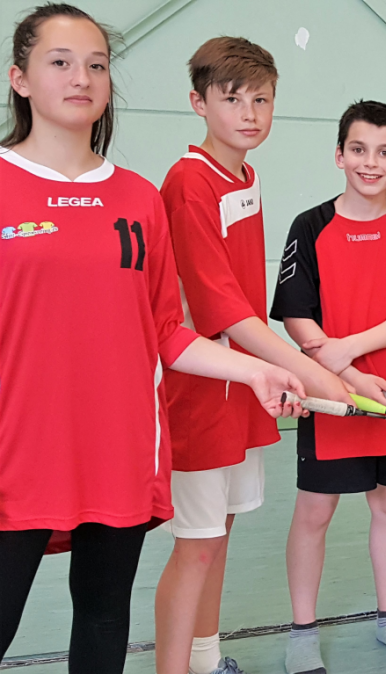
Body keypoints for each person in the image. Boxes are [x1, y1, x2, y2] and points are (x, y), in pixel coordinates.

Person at [0, 6, 304, 673]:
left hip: (118, 451)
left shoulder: (137, 199)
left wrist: (257, 371)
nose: (81, 77)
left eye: (97, 65)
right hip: (18, 454)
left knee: (104, 618)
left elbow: (166, 331)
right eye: (60, 62)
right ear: (20, 79)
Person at [155, 36, 353, 674]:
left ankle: (206, 658)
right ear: (199, 103)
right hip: (197, 390)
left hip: (242, 388)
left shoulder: (245, 175)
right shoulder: (189, 183)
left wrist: (298, 369)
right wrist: (311, 371)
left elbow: (243, 301)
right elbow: (221, 309)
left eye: (261, 100)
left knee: (220, 534)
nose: (249, 113)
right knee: (195, 546)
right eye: (232, 99)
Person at [270, 100, 386, 673]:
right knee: (315, 511)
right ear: (339, 155)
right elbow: (296, 316)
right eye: (359, 150)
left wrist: (350, 347)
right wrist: (344, 369)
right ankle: (301, 632)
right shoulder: (309, 227)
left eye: (384, 152)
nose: (370, 162)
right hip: (329, 395)